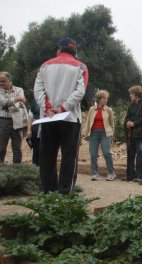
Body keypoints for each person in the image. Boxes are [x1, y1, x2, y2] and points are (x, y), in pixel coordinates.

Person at [34, 37, 89, 194]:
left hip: (49, 117)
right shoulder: (81, 66)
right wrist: (63, 107)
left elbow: (38, 90)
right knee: (69, 157)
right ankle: (65, 194)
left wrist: (49, 109)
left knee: (47, 157)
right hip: (70, 118)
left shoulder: (44, 66)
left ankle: (48, 193)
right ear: (74, 50)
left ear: (58, 49)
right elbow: (80, 91)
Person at [84, 90, 116, 181]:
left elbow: (112, 123)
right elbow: (87, 122)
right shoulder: (91, 109)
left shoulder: (108, 110)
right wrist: (86, 134)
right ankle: (95, 173)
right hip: (93, 133)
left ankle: (111, 173)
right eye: (104, 98)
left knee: (107, 152)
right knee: (93, 154)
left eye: (106, 99)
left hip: (105, 133)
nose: (106, 100)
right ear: (99, 99)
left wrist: (112, 134)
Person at [123, 85, 142, 182]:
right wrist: (127, 122)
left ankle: (141, 176)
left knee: (141, 155)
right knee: (130, 154)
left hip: (141, 134)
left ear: (136, 95)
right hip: (131, 134)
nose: (130, 96)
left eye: (131, 94)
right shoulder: (131, 105)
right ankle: (130, 175)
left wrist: (134, 123)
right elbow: (127, 117)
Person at [0, 71, 26, 164]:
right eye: (0, 81)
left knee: (17, 148)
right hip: (3, 121)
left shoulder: (19, 89)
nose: (1, 83)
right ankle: (1, 170)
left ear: (9, 80)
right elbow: (3, 103)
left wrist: (10, 102)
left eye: (3, 81)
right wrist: (16, 98)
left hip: (17, 120)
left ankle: (17, 169)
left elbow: (22, 103)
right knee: (1, 147)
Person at [26, 99, 41, 166]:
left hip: (49, 127)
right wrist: (29, 129)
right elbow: (30, 115)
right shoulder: (35, 101)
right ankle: (36, 171)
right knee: (36, 151)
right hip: (36, 128)